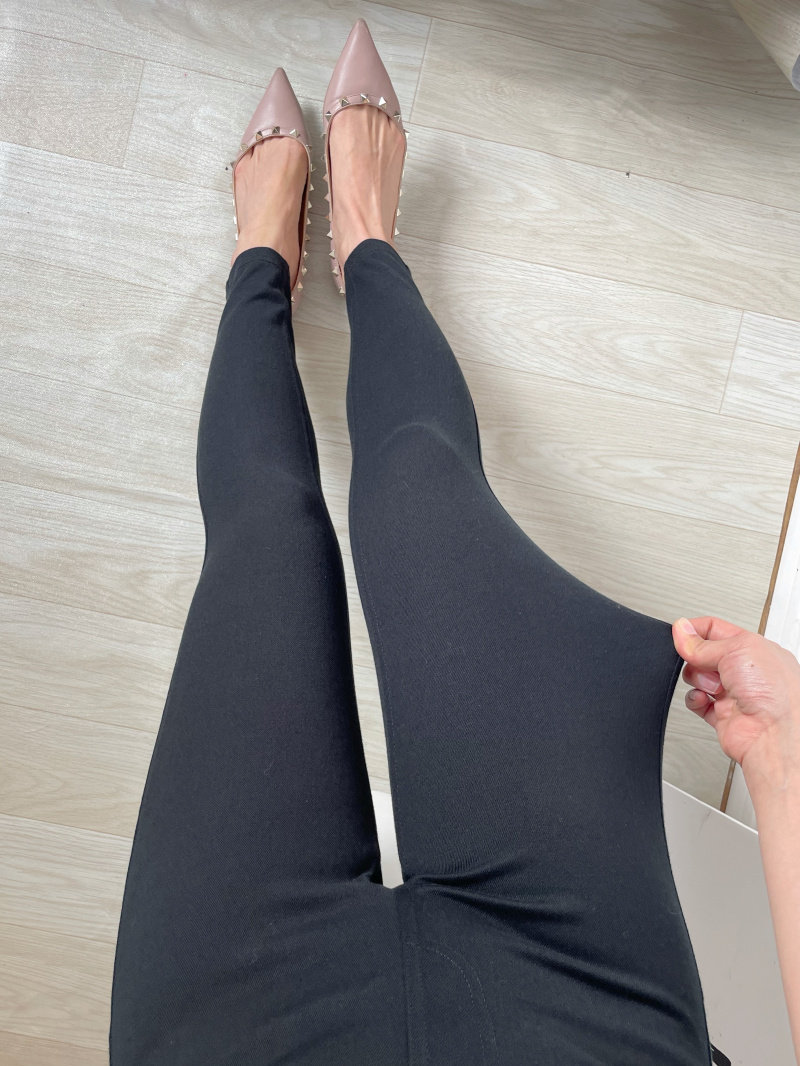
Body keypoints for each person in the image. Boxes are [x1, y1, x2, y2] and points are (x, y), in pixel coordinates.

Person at [108, 17, 799, 1066]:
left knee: (262, 539)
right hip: (586, 1011)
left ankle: (258, 264)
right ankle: (366, 242)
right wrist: (782, 754)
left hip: (234, 1035)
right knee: (420, 489)